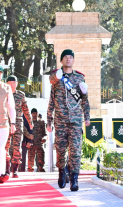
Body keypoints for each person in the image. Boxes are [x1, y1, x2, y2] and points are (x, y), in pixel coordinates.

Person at [47, 49, 90, 191]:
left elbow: (84, 100)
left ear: (73, 60)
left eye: (70, 57)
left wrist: (87, 117)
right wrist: (49, 120)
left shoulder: (79, 78)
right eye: (65, 57)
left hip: (76, 120)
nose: (68, 59)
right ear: (61, 60)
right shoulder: (57, 77)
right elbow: (51, 101)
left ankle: (74, 179)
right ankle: (61, 173)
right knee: (60, 150)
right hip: (60, 121)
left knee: (76, 151)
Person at [5, 75, 33, 178]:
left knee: (17, 147)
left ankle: (15, 170)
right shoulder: (3, 94)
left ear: (17, 84)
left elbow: (25, 109)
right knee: (5, 147)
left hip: (18, 123)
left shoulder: (21, 95)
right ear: (6, 84)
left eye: (14, 83)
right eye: (10, 83)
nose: (12, 85)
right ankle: (7, 169)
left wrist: (30, 122)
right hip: (5, 124)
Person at [28, 108, 46, 172]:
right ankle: (30, 171)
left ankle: (41, 169)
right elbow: (26, 132)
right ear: (31, 114)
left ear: (37, 113)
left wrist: (44, 138)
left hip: (39, 143)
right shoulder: (29, 122)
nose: (34, 115)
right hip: (31, 143)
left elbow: (45, 133)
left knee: (41, 158)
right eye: (33, 113)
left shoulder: (41, 122)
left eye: (35, 113)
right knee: (30, 159)